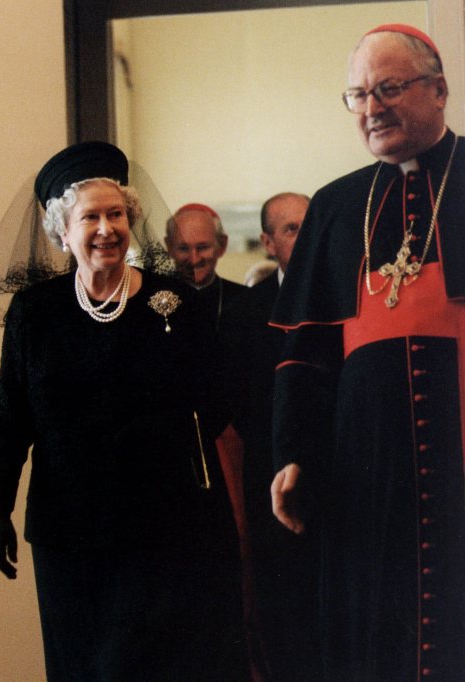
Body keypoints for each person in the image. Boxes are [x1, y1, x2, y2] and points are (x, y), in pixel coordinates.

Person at [0, 141, 247, 680]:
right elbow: (8, 417)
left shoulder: (175, 302)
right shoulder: (36, 313)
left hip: (165, 528)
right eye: (91, 217)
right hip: (69, 533)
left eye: (117, 214)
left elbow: (217, 407)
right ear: (62, 232)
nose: (106, 229)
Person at [270, 24, 465, 680]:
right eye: (358, 95)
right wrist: (293, 453)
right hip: (367, 474)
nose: (372, 108)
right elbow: (306, 353)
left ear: (438, 90)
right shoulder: (334, 206)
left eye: (389, 88)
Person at [220, 192, 316, 681]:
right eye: (294, 228)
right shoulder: (242, 314)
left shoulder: (348, 297)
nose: (307, 236)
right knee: (280, 614)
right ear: (268, 241)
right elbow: (235, 406)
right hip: (267, 480)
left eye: (310, 225)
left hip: (335, 479)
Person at [165, 203, 246, 329]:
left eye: (202, 248)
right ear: (169, 247)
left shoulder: (247, 301)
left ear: (222, 245)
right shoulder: (151, 299)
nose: (194, 259)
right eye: (183, 248)